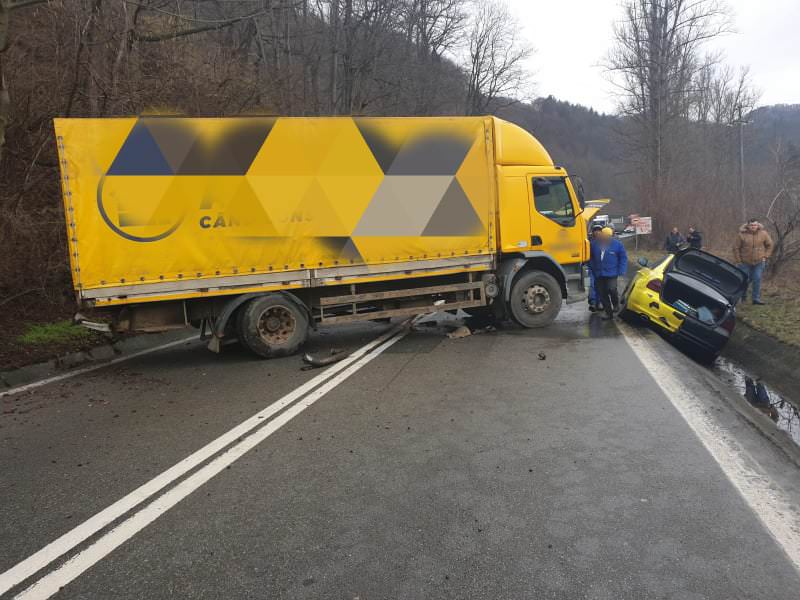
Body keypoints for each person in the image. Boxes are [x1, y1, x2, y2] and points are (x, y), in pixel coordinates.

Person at [590, 227, 628, 320]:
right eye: (604, 235)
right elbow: (589, 256)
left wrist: (621, 270)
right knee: (602, 293)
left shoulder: (617, 245)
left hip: (612, 272)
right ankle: (608, 313)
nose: (605, 238)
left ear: (611, 236)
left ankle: (615, 305)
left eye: (608, 236)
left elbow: (623, 258)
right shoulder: (594, 244)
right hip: (598, 273)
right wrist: (591, 266)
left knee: (611, 289)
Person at [733, 219, 773, 305]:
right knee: (744, 280)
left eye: (755, 225)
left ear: (758, 225)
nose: (753, 227)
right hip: (744, 262)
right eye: (751, 225)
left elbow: (769, 245)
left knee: (757, 279)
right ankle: (743, 296)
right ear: (748, 226)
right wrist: (738, 260)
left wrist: (765, 256)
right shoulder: (741, 235)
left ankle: (756, 299)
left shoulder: (763, 233)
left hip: (759, 262)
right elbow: (735, 248)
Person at [587, 224, 604, 312]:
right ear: (593, 232)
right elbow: (587, 255)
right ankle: (593, 302)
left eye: (599, 230)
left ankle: (600, 302)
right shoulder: (589, 243)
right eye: (596, 230)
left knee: (601, 286)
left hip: (602, 269)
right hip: (592, 268)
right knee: (592, 285)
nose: (597, 232)